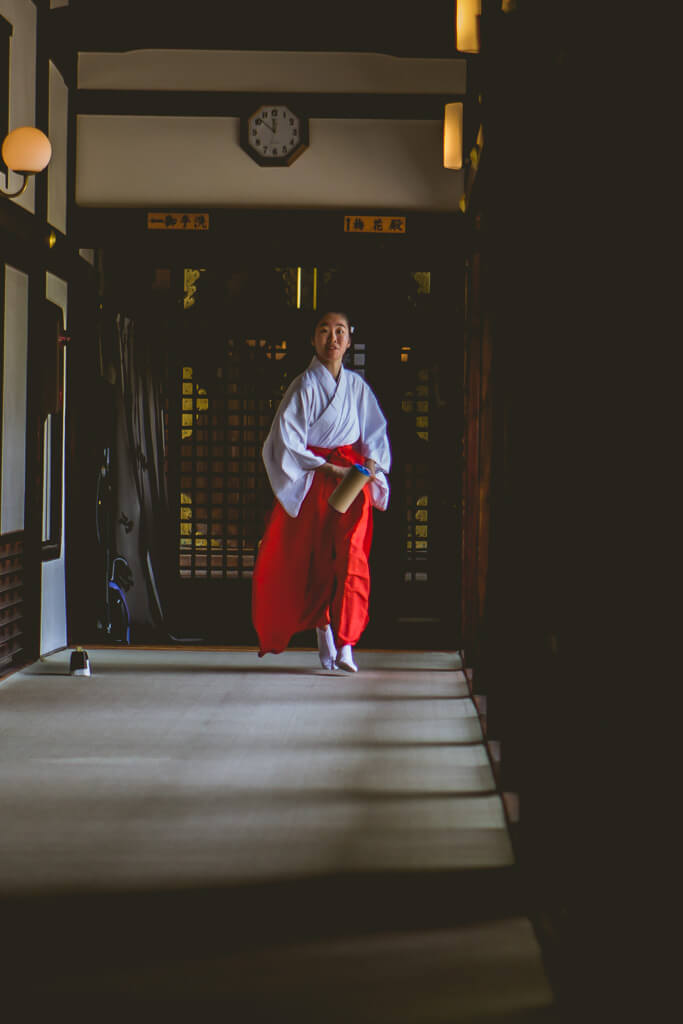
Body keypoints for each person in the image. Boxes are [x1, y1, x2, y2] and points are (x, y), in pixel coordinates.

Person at [252, 311, 391, 672]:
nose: (332, 338)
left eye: (339, 332)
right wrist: (327, 467)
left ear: (349, 340)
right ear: (313, 340)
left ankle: (348, 642)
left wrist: (370, 466)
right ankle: (323, 627)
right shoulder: (304, 386)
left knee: (352, 556)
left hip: (351, 477)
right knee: (315, 559)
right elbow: (286, 439)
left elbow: (375, 435)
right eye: (324, 332)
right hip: (316, 475)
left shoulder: (357, 389)